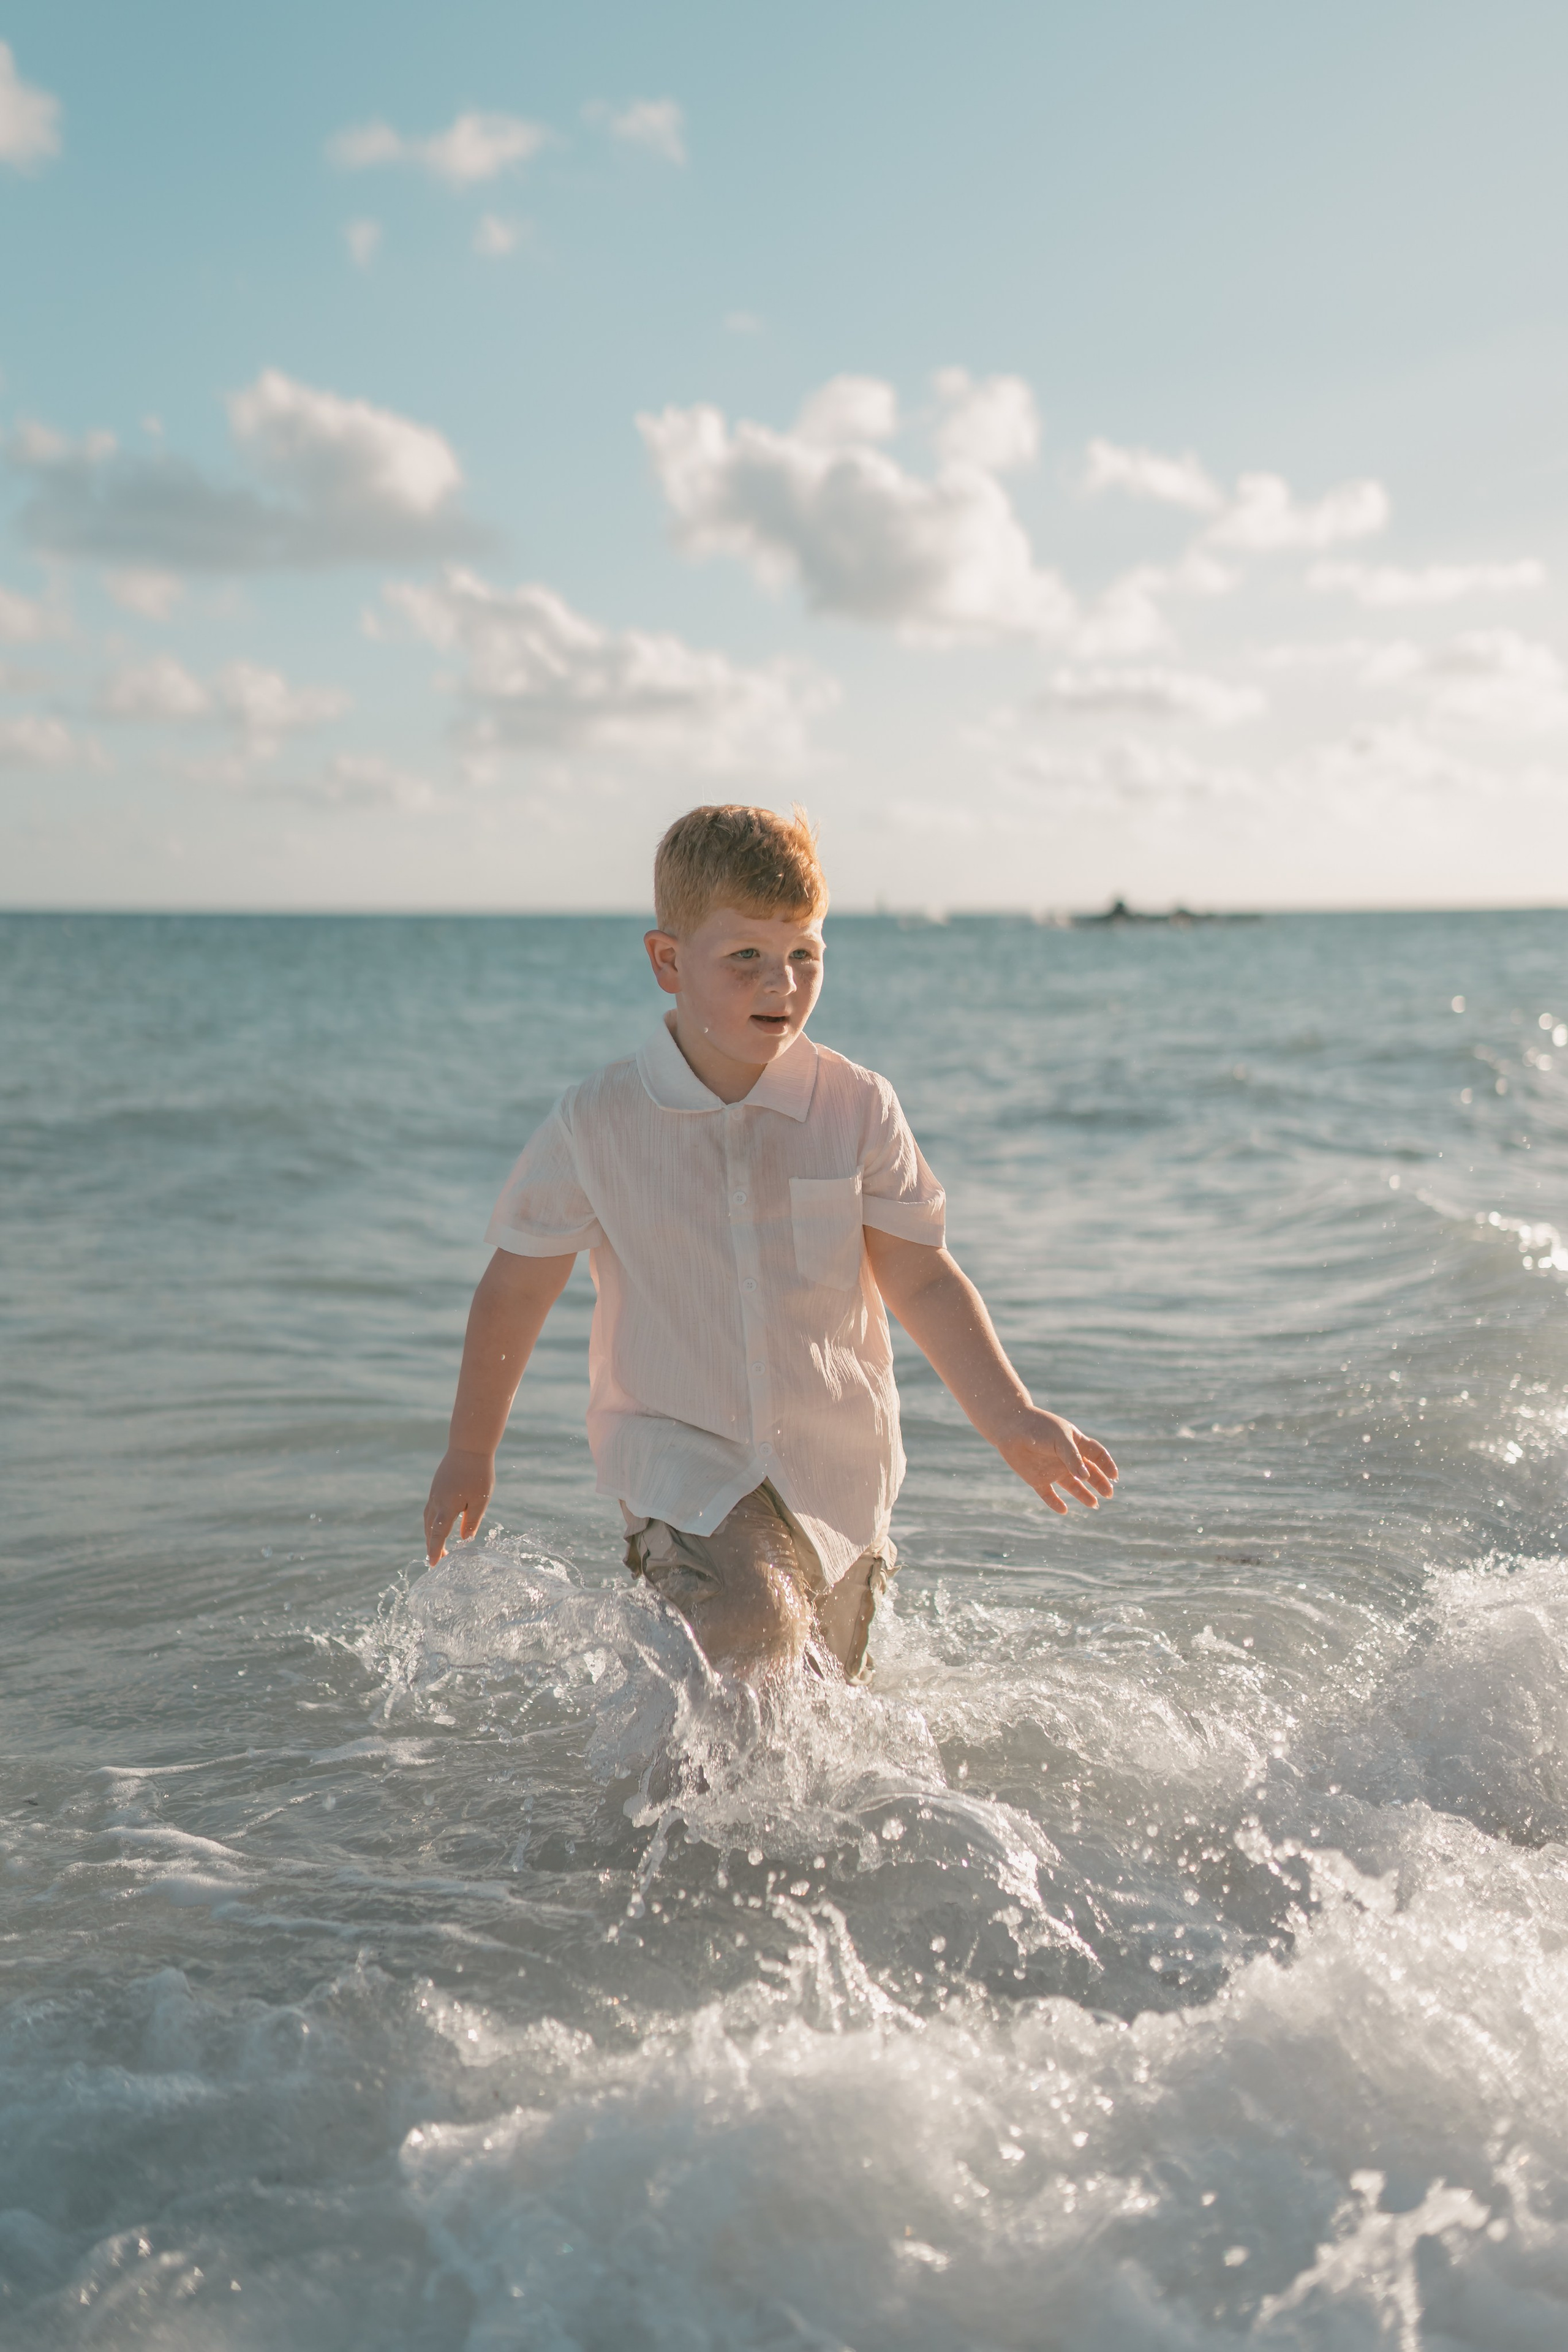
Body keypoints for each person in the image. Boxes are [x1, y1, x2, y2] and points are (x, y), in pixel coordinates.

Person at [423, 804, 1117, 1683]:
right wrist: (471, 1450)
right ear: (668, 962)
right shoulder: (598, 1121)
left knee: (825, 1699)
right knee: (751, 1630)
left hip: (838, 1469)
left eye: (804, 955)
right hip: (680, 1462)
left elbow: (920, 1277)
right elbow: (517, 1287)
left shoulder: (857, 1108)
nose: (780, 983)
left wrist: (1011, 1417)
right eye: (746, 955)